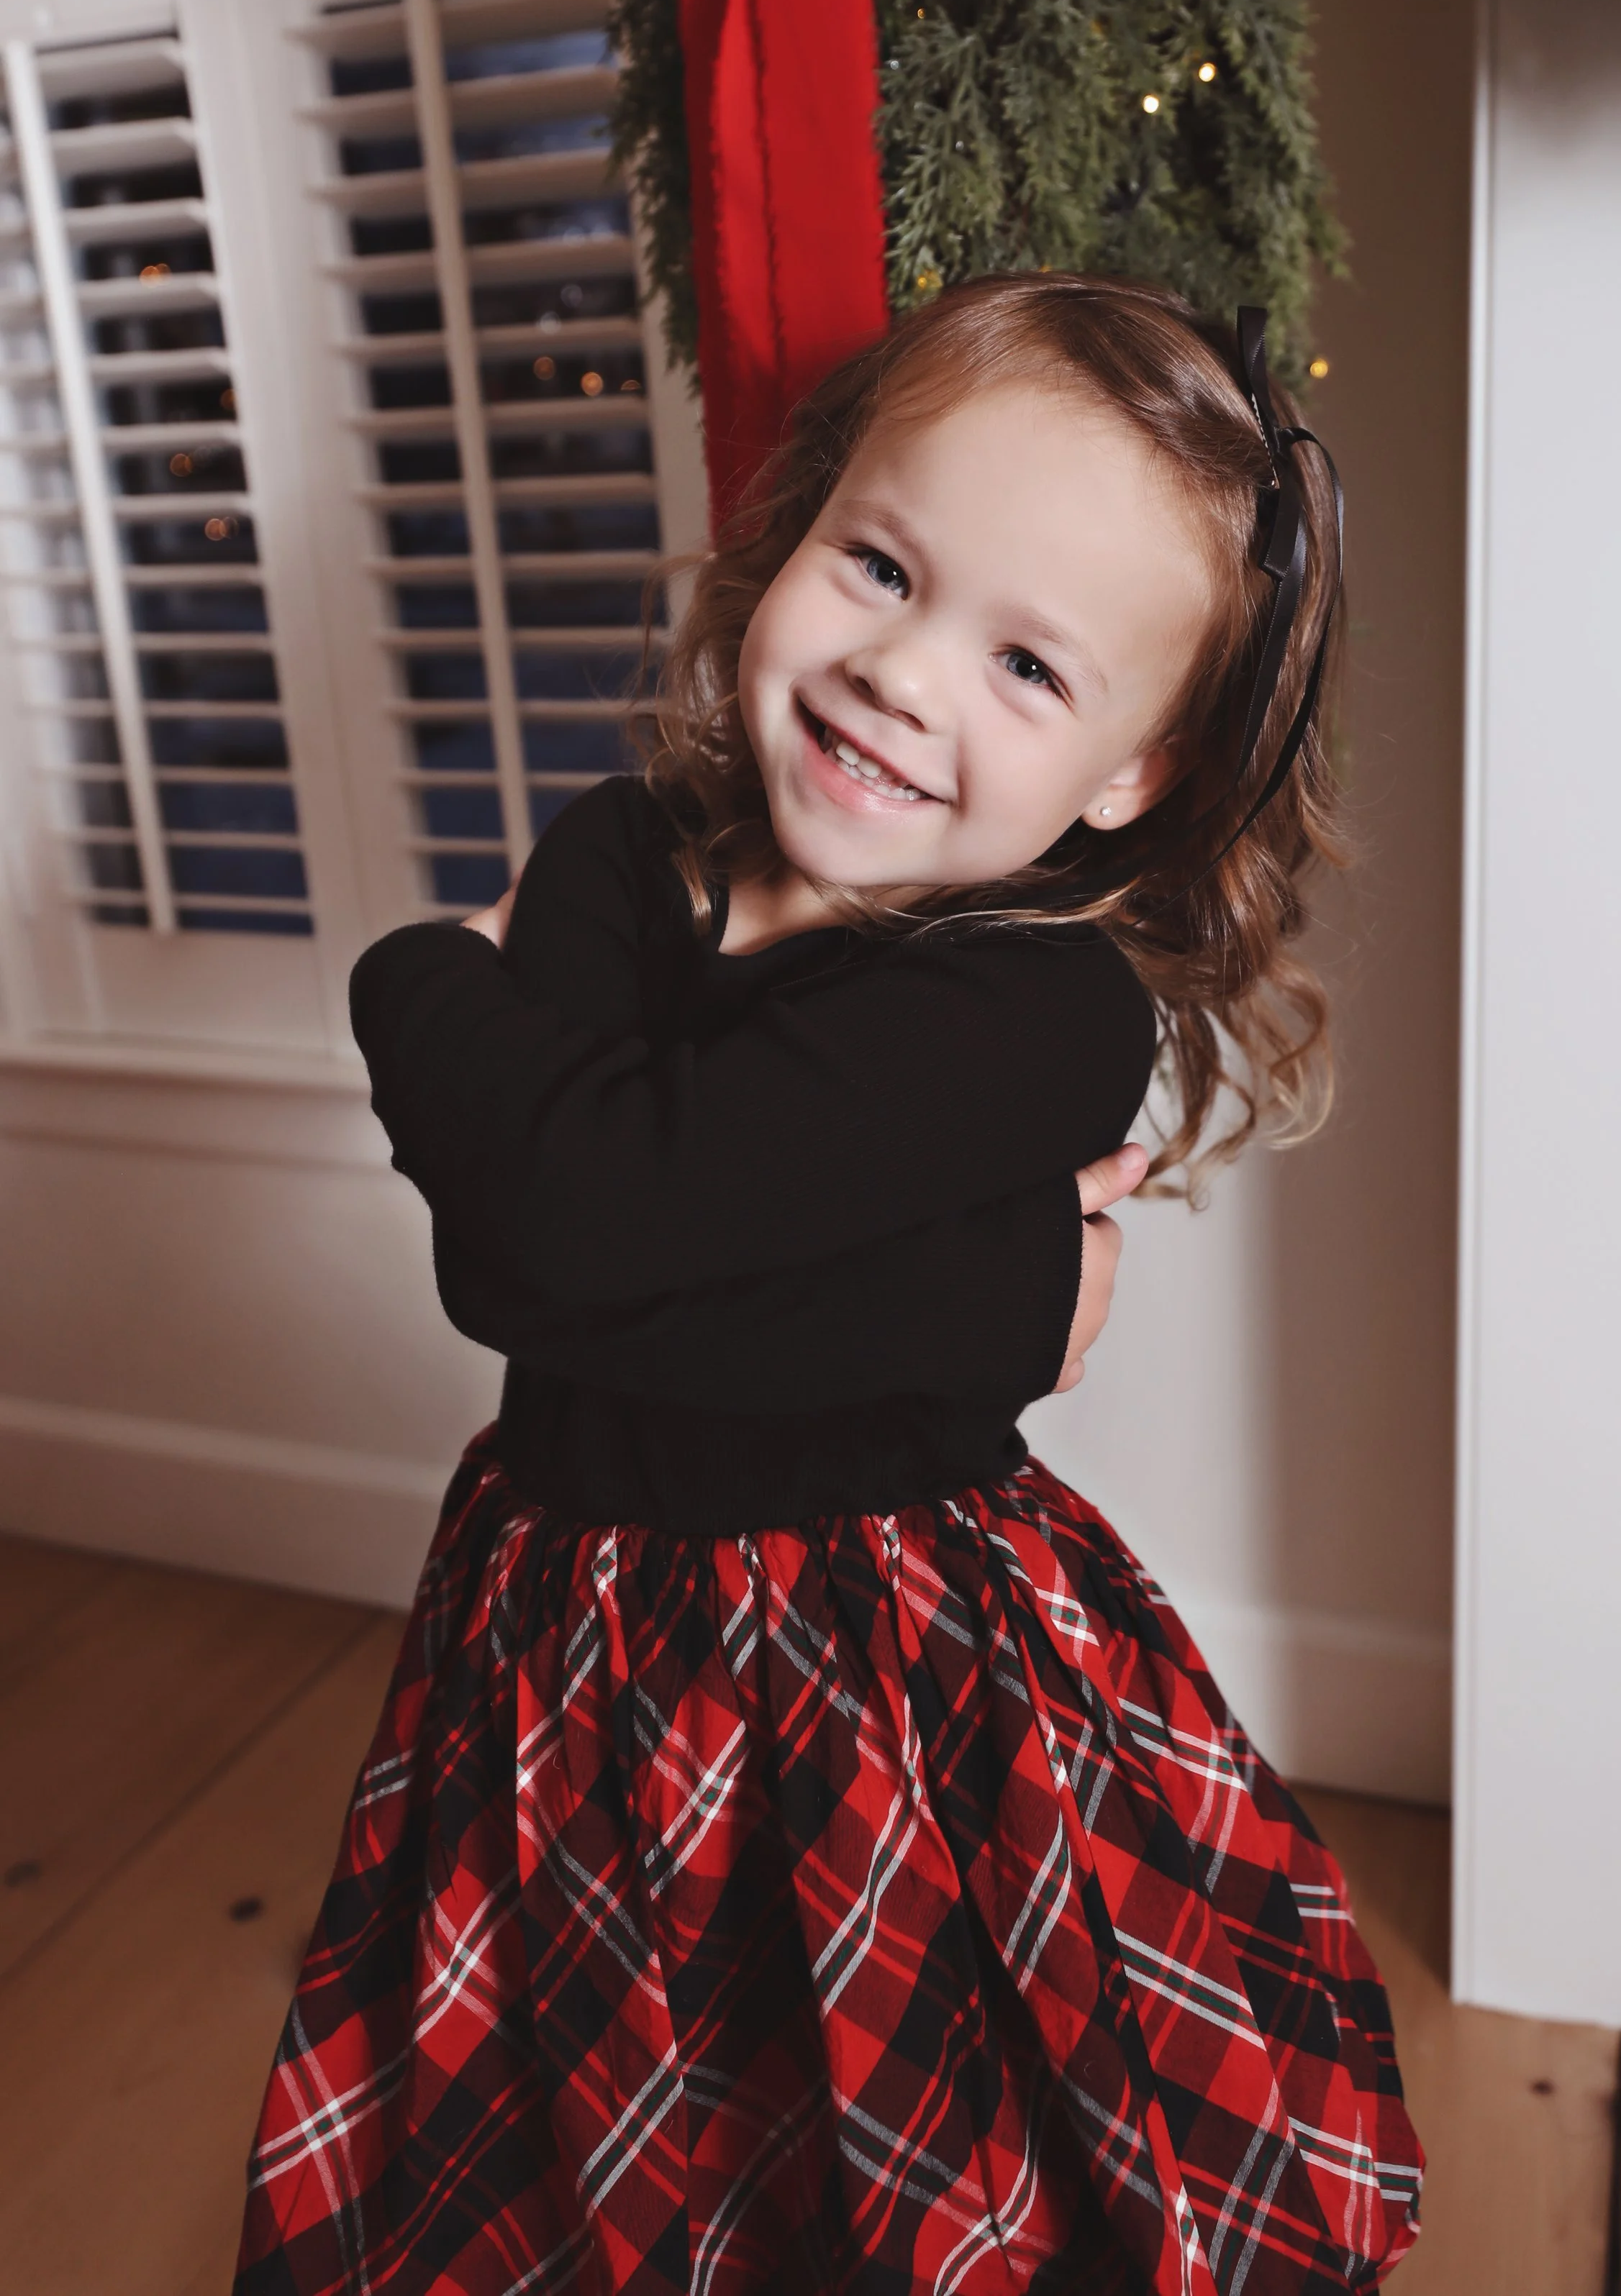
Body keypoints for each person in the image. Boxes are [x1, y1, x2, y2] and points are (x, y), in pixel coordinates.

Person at [234, 273, 1422, 2293]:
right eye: (878, 563)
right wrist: (983, 1302)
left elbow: (568, 1225)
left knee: (902, 2130)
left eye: (1030, 667)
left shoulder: (1037, 1003)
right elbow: (542, 1243)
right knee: (579, 2116)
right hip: (560, 1646)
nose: (901, 672)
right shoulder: (624, 851)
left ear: (1131, 772)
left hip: (887, 1667)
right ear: (792, 534)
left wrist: (438, 986)